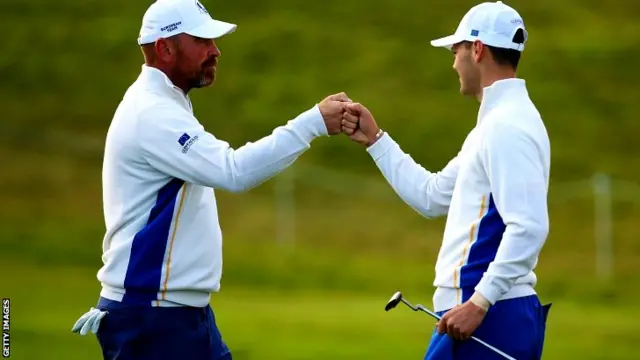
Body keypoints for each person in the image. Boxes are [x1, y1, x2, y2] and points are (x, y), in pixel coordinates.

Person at [70, 0, 350, 359]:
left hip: (176, 313)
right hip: (152, 316)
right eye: (202, 40)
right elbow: (233, 171)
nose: (215, 50)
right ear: (165, 48)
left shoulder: (166, 102)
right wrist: (312, 123)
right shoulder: (153, 112)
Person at [340, 1, 551, 359]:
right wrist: (376, 141)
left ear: (478, 49)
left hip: (489, 314)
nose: (454, 62)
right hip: (479, 311)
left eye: (457, 50)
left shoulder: (506, 126)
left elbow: (529, 227)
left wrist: (481, 302)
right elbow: (432, 195)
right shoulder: (496, 123)